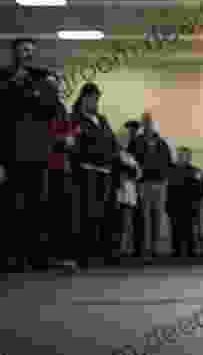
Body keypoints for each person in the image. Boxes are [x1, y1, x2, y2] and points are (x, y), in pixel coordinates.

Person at [0, 38, 62, 272]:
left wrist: (51, 89)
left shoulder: (40, 79)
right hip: (11, 155)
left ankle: (36, 256)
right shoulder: (3, 78)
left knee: (37, 207)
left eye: (30, 50)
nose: (27, 53)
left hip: (37, 154)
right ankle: (11, 258)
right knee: (11, 207)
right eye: (23, 49)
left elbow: (51, 111)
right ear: (14, 52)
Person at [70, 82, 121, 268]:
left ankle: (101, 254)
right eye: (92, 98)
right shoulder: (75, 119)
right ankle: (84, 255)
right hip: (87, 172)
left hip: (106, 173)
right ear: (84, 98)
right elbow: (76, 147)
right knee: (86, 215)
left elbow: (113, 143)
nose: (95, 101)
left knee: (105, 215)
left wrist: (117, 157)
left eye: (97, 98)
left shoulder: (102, 119)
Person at [45, 72, 81, 271]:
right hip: (51, 165)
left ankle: (60, 255)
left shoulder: (62, 107)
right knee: (54, 212)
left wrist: (71, 136)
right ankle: (53, 256)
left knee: (62, 212)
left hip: (63, 166)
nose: (60, 86)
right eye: (57, 83)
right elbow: (46, 134)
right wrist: (65, 138)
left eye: (61, 83)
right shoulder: (48, 107)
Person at [128, 112, 173, 261]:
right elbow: (130, 161)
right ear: (142, 124)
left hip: (159, 185)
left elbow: (168, 162)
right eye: (145, 121)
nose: (147, 124)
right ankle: (145, 250)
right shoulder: (136, 142)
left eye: (149, 121)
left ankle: (154, 249)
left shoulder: (161, 143)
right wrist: (136, 178)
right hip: (143, 184)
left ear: (153, 124)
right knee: (144, 218)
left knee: (157, 218)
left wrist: (164, 178)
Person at [166, 147, 203, 257]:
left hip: (190, 206)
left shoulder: (195, 171)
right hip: (174, 206)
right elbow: (167, 188)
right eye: (180, 155)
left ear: (189, 157)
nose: (182, 157)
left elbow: (202, 186)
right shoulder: (171, 170)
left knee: (189, 231)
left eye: (184, 155)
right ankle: (176, 253)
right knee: (175, 231)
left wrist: (197, 200)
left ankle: (190, 253)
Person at [123, 120, 145, 258]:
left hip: (138, 184)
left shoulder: (137, 144)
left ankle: (137, 248)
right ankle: (135, 248)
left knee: (137, 217)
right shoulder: (131, 145)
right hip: (132, 183)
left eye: (133, 130)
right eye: (130, 130)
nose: (131, 132)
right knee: (134, 217)